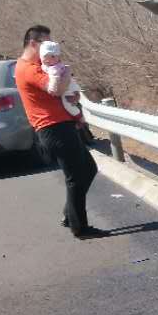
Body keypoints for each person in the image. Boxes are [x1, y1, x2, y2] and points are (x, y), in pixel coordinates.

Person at [15, 25, 98, 238]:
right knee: (75, 177)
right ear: (33, 44)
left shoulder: (37, 65)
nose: (49, 48)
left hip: (62, 125)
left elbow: (62, 92)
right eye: (45, 43)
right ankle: (80, 228)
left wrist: (74, 95)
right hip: (53, 128)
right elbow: (57, 89)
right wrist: (67, 73)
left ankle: (70, 215)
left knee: (88, 169)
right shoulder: (28, 69)